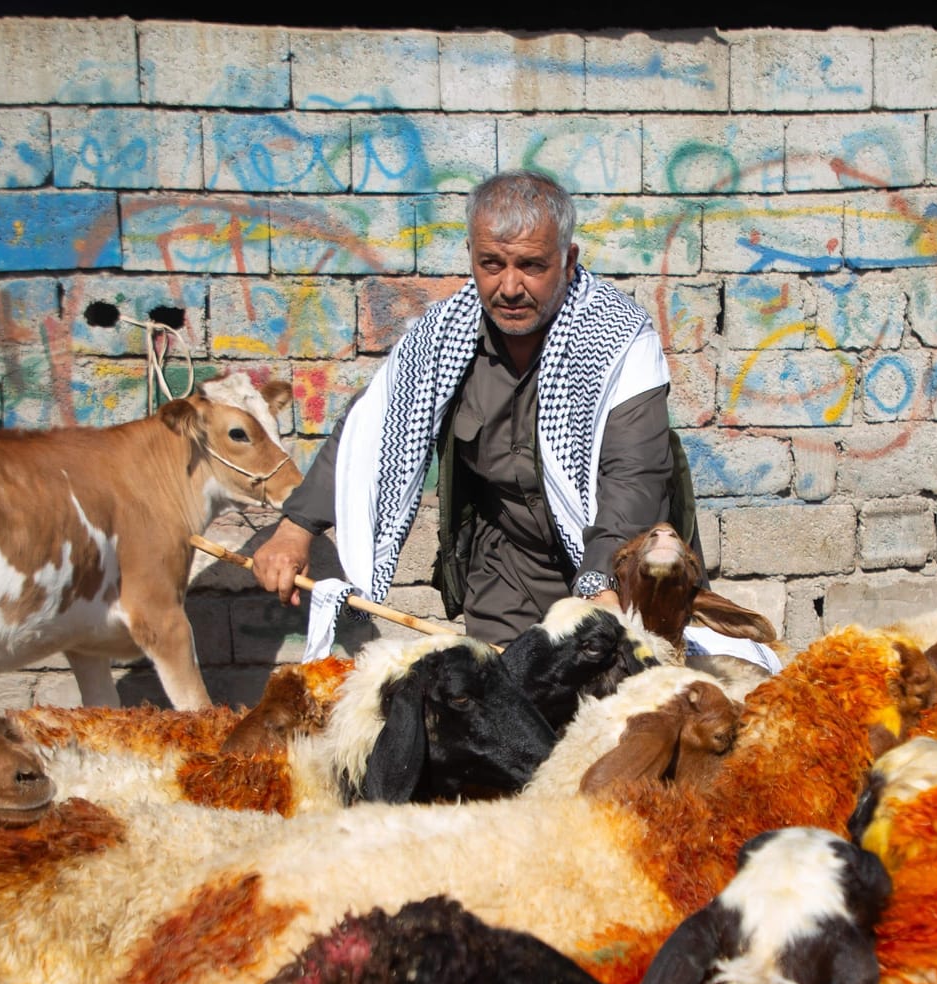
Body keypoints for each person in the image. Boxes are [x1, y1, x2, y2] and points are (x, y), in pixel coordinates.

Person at [251, 170, 694, 645]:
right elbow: (370, 432)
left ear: (567, 261)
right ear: (471, 257)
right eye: (491, 264)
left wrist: (603, 584)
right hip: (505, 567)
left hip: (615, 569)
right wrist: (296, 528)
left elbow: (633, 476)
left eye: (531, 266)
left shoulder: (618, 340)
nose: (508, 287)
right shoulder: (445, 334)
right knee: (504, 705)